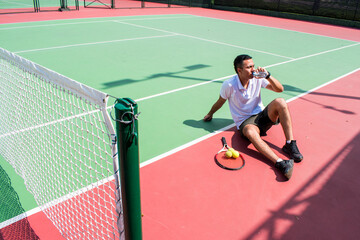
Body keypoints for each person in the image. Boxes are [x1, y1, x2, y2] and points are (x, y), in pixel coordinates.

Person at [204, 54, 303, 180]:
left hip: (261, 116)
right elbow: (220, 102)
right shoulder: (229, 85)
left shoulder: (257, 78)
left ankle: (290, 144)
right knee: (250, 132)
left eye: (253, 66)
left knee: (281, 102)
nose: (253, 69)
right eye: (249, 67)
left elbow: (279, 89)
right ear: (239, 70)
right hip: (246, 122)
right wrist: (210, 113)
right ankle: (280, 163)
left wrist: (268, 76)